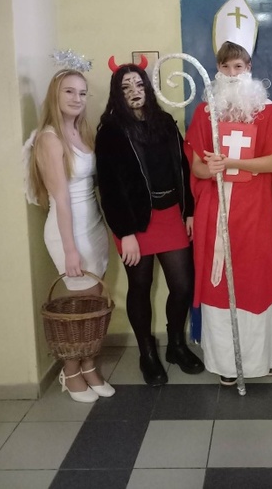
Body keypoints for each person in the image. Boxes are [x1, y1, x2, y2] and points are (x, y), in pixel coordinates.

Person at [95, 58, 204, 386]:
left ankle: (176, 345)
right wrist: (125, 232)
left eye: (139, 84)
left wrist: (189, 211)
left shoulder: (165, 122)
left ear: (147, 88)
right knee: (140, 287)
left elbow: (183, 167)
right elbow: (109, 187)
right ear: (117, 94)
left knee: (182, 285)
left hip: (170, 214)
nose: (134, 90)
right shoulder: (111, 131)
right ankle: (147, 354)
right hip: (134, 221)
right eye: (126, 86)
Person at [185, 41, 272, 385]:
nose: (232, 74)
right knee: (219, 283)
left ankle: (262, 359)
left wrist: (233, 162)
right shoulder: (206, 113)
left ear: (249, 69)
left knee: (254, 279)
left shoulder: (266, 111)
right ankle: (228, 365)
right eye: (225, 67)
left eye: (238, 67)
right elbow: (197, 167)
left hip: (254, 210)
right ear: (217, 70)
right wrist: (210, 167)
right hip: (215, 210)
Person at [28, 69, 115, 402]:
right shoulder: (49, 138)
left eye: (81, 92)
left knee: (94, 302)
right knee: (81, 306)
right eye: (69, 91)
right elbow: (61, 199)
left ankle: (89, 366)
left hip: (93, 225)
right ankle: (71, 371)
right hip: (69, 230)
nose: (77, 98)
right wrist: (70, 250)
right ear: (55, 94)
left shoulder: (82, 131)